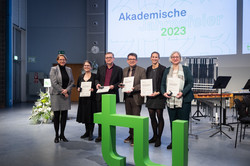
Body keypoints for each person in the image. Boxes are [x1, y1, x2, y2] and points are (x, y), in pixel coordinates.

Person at [161, 51, 194, 149]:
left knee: (183, 123)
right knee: (173, 122)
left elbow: (190, 83)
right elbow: (163, 84)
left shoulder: (185, 69)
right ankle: (174, 142)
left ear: (180, 58)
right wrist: (164, 93)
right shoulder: (167, 70)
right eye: (173, 57)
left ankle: (183, 144)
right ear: (170, 59)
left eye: (177, 57)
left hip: (184, 100)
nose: (175, 58)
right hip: (170, 100)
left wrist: (182, 92)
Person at [95, 52, 123, 142]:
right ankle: (100, 135)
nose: (108, 59)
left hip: (111, 95)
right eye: (107, 58)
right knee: (101, 116)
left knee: (110, 117)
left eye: (110, 57)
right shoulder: (100, 68)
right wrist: (97, 84)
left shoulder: (118, 69)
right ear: (105, 59)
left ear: (113, 58)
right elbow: (97, 79)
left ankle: (109, 135)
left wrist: (113, 86)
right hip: (101, 95)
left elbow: (120, 82)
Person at [122, 53, 146, 146]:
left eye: (133, 59)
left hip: (136, 97)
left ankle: (136, 138)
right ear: (127, 60)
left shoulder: (142, 70)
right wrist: (121, 85)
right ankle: (131, 135)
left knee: (136, 118)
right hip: (127, 97)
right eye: (130, 59)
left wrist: (134, 88)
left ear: (136, 60)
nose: (131, 60)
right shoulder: (124, 70)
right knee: (129, 118)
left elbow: (143, 84)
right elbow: (123, 82)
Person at [49, 54, 74, 143]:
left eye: (64, 59)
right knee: (56, 116)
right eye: (60, 59)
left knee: (64, 116)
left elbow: (72, 82)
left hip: (66, 95)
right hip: (56, 95)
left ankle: (62, 135)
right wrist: (62, 91)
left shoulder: (69, 69)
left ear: (66, 60)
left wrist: (66, 90)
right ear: (57, 60)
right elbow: (53, 83)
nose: (62, 61)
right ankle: (56, 135)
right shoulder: (53, 69)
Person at [146, 51, 166, 147]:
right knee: (152, 116)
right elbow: (146, 82)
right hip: (150, 96)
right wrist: (146, 92)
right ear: (150, 58)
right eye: (153, 57)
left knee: (159, 116)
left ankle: (159, 138)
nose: (154, 58)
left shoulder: (163, 69)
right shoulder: (148, 69)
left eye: (156, 57)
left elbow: (165, 83)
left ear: (159, 58)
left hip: (159, 96)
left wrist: (159, 92)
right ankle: (154, 136)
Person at [76, 60, 96, 141]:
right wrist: (78, 89)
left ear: (91, 67)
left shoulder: (95, 76)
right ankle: (86, 132)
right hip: (83, 99)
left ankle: (91, 133)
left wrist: (93, 89)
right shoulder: (80, 76)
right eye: (85, 65)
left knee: (91, 116)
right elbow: (78, 86)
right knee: (85, 116)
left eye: (88, 65)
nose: (86, 67)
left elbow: (97, 87)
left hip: (91, 99)